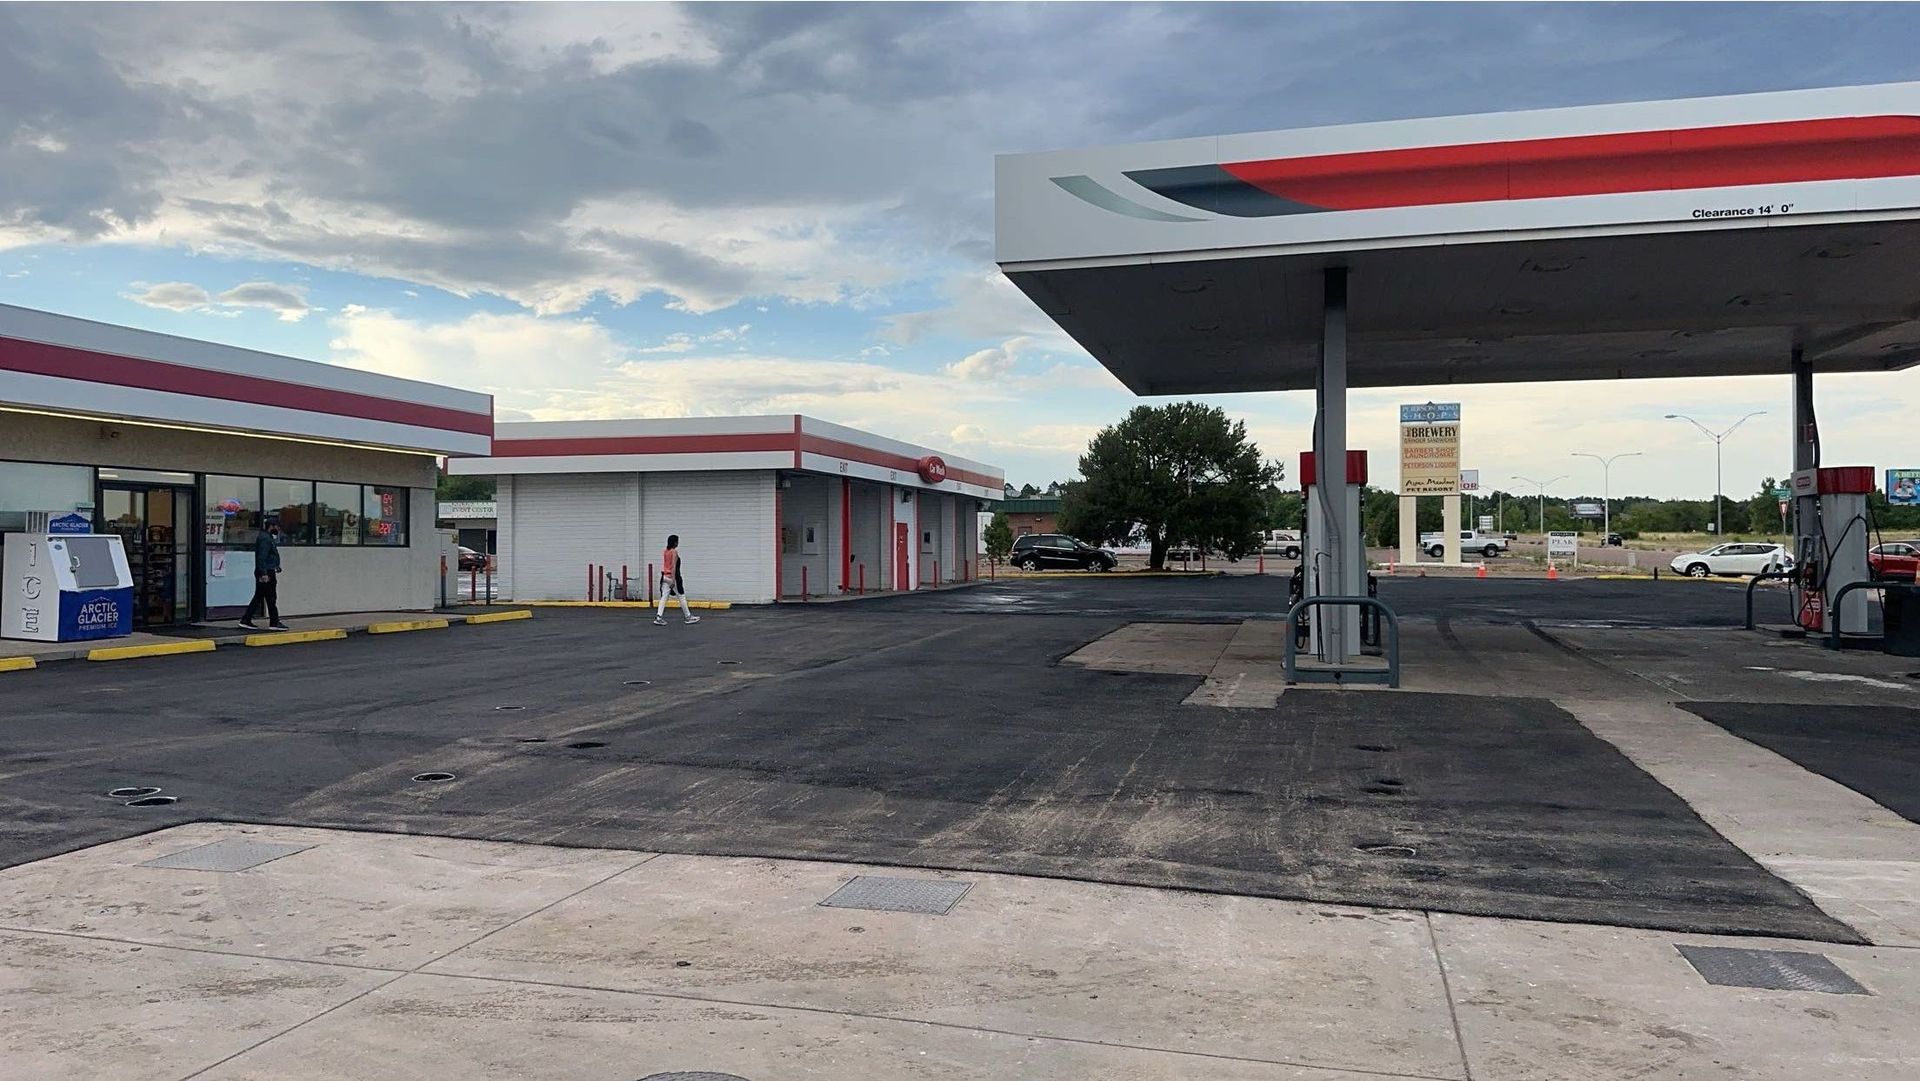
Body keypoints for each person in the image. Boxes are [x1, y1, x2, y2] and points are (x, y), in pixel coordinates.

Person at [240, 520, 288, 630]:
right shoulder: (265, 538)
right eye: (277, 526)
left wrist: (276, 565)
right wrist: (264, 573)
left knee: (260, 596)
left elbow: (268, 556)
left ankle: (246, 620)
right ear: (271, 526)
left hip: (267, 570)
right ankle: (274, 623)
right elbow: (261, 557)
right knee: (271, 597)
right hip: (266, 572)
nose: (278, 529)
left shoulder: (267, 537)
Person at [654, 533, 700, 626]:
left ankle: (659, 617)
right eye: (677, 542)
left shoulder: (665, 551)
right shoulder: (674, 552)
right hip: (672, 577)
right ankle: (688, 617)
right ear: (674, 543)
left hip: (665, 576)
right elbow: (673, 566)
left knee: (664, 597)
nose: (678, 543)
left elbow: (666, 564)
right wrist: (673, 580)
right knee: (681, 596)